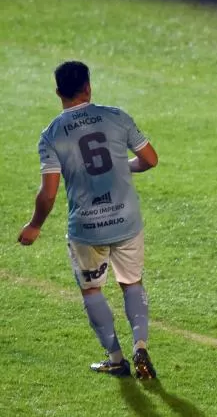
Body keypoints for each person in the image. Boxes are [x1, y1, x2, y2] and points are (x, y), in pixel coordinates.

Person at [17, 61, 159, 379]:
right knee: (131, 284)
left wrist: (35, 224)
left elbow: (49, 193)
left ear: (58, 92)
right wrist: (126, 167)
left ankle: (115, 358)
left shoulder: (51, 135)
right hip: (126, 221)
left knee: (92, 291)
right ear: (88, 87)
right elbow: (150, 159)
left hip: (87, 228)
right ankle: (140, 346)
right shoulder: (116, 116)